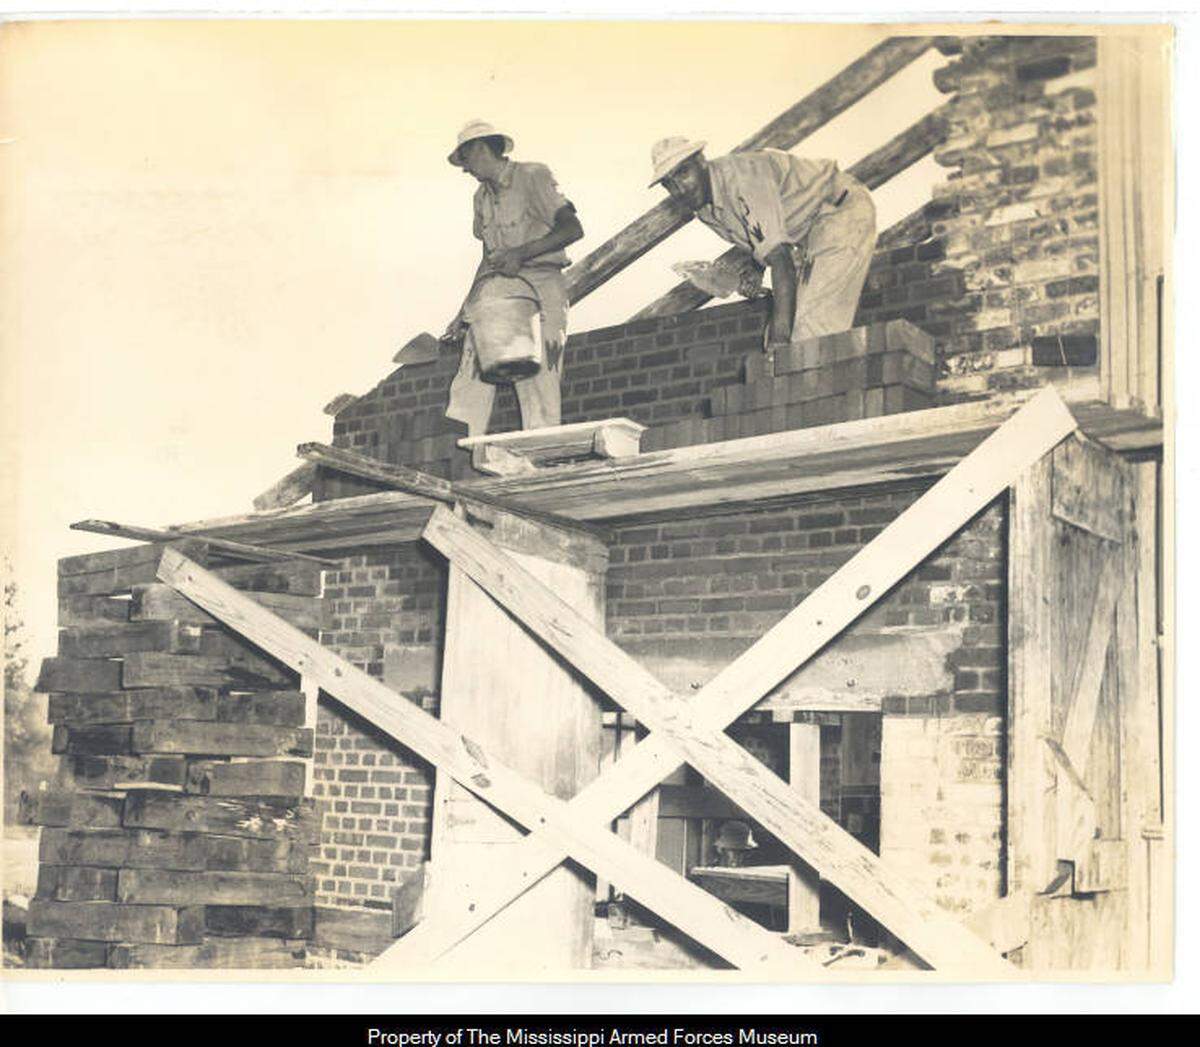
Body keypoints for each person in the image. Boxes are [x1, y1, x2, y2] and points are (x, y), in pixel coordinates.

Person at [648, 137, 876, 352]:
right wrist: (756, 270)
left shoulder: (743, 179)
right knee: (781, 336)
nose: (681, 188)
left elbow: (781, 259)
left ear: (701, 161)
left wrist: (780, 341)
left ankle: (826, 388)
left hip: (840, 211)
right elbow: (762, 235)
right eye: (670, 184)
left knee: (806, 332)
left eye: (683, 173)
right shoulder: (706, 210)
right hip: (809, 234)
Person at [442, 120, 584, 435]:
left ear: (480, 148)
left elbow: (572, 229)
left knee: (538, 374)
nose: (465, 169)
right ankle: (465, 448)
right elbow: (487, 258)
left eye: (465, 159)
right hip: (497, 288)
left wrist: (521, 253)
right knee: (472, 365)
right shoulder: (480, 198)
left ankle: (539, 454)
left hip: (542, 285)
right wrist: (464, 311)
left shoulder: (533, 176)